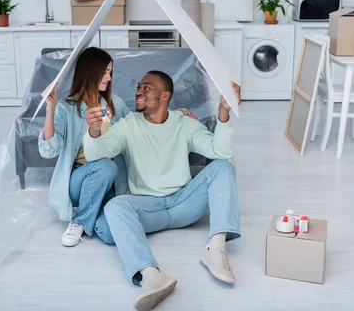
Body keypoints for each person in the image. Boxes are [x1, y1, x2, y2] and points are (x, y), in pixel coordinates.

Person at [83, 71, 241, 311]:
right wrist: (94, 131)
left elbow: (219, 152)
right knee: (113, 208)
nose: (139, 91)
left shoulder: (185, 123)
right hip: (148, 208)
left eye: (147, 87)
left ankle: (216, 249)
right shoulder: (127, 126)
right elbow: (96, 154)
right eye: (138, 86)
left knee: (223, 167)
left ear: (165, 95)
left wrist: (224, 114)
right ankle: (151, 275)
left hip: (183, 203)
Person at [39, 48, 197, 248]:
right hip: (78, 180)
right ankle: (78, 221)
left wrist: (171, 114)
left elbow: (137, 125)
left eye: (110, 72)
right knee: (105, 166)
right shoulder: (66, 108)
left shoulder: (114, 105)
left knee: (110, 233)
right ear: (91, 72)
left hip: (109, 182)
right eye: (105, 72)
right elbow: (48, 151)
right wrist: (50, 108)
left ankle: (90, 214)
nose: (109, 77)